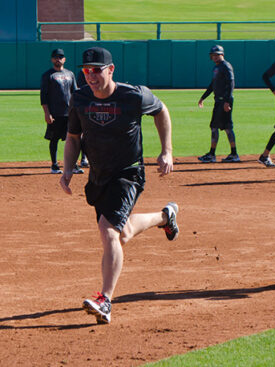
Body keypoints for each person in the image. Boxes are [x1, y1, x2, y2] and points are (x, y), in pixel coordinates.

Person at [59, 47, 179, 324]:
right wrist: (67, 169)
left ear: (111, 70)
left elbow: (162, 111)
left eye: (97, 70)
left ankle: (105, 300)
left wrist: (167, 151)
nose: (90, 76)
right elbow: (73, 136)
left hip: (128, 173)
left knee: (108, 231)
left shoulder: (133, 95)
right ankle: (165, 217)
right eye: (86, 71)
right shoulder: (79, 98)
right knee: (121, 234)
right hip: (99, 176)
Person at [40, 48, 83, 174]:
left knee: (73, 138)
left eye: (60, 57)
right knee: (54, 139)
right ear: (52, 59)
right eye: (55, 57)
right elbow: (44, 96)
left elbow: (75, 92)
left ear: (64, 59)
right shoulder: (48, 75)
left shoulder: (70, 74)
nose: (58, 59)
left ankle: (73, 164)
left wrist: (78, 111)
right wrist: (47, 113)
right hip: (55, 113)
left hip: (69, 113)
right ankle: (54, 165)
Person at [197, 45, 240, 163]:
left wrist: (227, 101)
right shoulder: (217, 67)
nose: (215, 57)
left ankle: (217, 154)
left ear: (222, 55)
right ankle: (228, 153)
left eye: (217, 54)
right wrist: (203, 97)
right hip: (219, 101)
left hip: (224, 101)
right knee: (220, 127)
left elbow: (231, 83)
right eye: (213, 55)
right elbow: (212, 85)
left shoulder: (226, 66)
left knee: (223, 127)